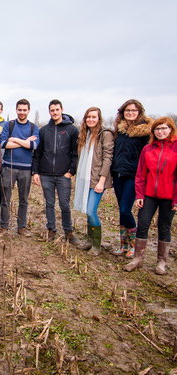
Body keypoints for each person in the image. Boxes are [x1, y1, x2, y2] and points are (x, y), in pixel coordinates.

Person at [124, 117, 177, 274]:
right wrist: (139, 195)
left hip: (169, 196)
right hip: (149, 195)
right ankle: (138, 258)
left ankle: (161, 262)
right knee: (143, 223)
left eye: (163, 128)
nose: (160, 132)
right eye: (157, 129)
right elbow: (140, 174)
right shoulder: (148, 149)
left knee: (164, 226)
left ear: (170, 129)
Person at [32, 99, 86, 248]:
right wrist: (35, 172)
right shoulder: (44, 131)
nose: (55, 112)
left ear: (62, 110)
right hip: (46, 174)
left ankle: (68, 232)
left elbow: (75, 153)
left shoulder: (72, 130)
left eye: (57, 110)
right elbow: (38, 153)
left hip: (63, 175)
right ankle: (51, 229)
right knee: (49, 204)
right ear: (49, 112)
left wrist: (71, 171)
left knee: (64, 204)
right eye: (52, 110)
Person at [110, 99, 153, 258]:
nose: (130, 113)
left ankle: (134, 246)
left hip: (133, 176)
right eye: (127, 110)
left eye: (133, 110)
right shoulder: (119, 131)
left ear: (139, 112)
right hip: (118, 174)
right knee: (121, 211)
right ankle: (124, 245)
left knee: (125, 210)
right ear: (123, 113)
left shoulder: (145, 133)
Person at [73, 107, 114, 255]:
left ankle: (96, 245)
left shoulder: (105, 134)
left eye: (93, 117)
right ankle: (90, 241)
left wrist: (102, 181)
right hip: (85, 179)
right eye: (88, 117)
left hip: (97, 179)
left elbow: (107, 158)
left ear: (99, 119)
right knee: (86, 210)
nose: (90, 119)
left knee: (91, 210)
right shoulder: (85, 135)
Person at [0, 99, 40, 236]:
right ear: (16, 110)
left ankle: (21, 227)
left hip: (26, 169)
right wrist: (25, 141)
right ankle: (4, 226)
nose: (22, 112)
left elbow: (33, 146)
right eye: (20, 109)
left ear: (28, 111)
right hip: (8, 168)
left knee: (24, 199)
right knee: (5, 198)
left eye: (24, 110)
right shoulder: (9, 125)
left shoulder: (34, 128)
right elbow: (3, 144)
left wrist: (14, 139)